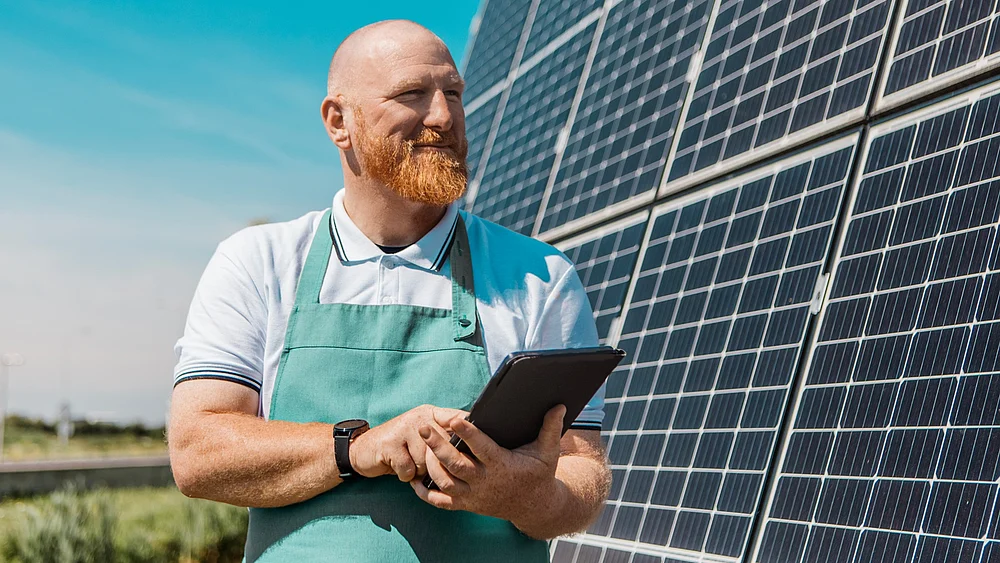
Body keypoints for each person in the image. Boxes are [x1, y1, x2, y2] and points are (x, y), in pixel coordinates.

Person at [168, 19, 611, 563]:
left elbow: (581, 468)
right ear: (339, 122)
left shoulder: (540, 275)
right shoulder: (259, 263)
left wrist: (532, 496)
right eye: (411, 95)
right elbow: (198, 453)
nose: (444, 117)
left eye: (453, 93)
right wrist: (359, 447)